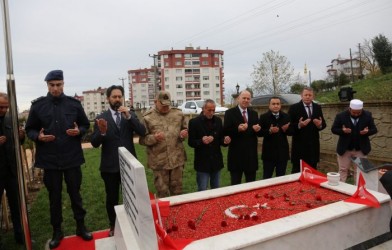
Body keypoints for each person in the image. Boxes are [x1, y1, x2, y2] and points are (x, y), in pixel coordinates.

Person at [25, 70, 92, 249]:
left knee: (75, 194)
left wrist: (80, 132)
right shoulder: (38, 106)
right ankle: (57, 231)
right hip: (50, 160)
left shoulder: (74, 104)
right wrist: (38, 137)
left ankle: (80, 227)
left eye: (58, 85)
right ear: (47, 85)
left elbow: (85, 124)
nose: (55, 88)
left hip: (71, 158)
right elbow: (29, 129)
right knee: (54, 197)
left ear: (63, 84)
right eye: (52, 85)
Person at [91, 85, 145, 236]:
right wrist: (101, 132)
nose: (117, 99)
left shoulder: (129, 115)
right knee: (112, 198)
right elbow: (94, 143)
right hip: (110, 166)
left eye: (119, 96)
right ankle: (114, 225)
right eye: (114, 97)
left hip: (129, 165)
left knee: (131, 196)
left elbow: (142, 131)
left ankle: (133, 222)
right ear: (108, 98)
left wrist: (128, 116)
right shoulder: (101, 118)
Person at [139, 91, 188, 198]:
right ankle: (164, 214)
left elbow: (184, 130)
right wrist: (154, 138)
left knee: (178, 192)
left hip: (176, 159)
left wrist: (183, 134)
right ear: (155, 102)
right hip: (159, 162)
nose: (166, 107)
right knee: (162, 193)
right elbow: (142, 140)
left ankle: (178, 214)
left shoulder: (178, 114)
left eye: (167, 104)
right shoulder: (147, 118)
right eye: (163, 104)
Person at [188, 99, 231, 191]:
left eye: (213, 110)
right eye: (209, 110)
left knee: (216, 189)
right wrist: (201, 141)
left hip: (216, 162)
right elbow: (190, 142)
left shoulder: (218, 121)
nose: (211, 112)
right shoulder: (194, 122)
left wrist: (225, 141)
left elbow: (221, 138)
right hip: (202, 162)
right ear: (203, 109)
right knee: (202, 189)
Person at [331, 99, 378, 182]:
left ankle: (358, 190)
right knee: (343, 170)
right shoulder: (340, 116)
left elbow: (374, 129)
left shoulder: (367, 115)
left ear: (362, 110)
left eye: (358, 113)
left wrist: (367, 132)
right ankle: (341, 190)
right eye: (354, 112)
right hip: (345, 149)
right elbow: (334, 129)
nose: (356, 114)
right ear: (349, 109)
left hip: (361, 149)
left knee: (360, 171)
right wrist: (343, 131)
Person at [0, 93, 24, 246]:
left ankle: (20, 237)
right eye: (1, 107)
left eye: (6, 107)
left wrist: (21, 136)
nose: (3, 110)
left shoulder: (10, 120)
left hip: (11, 171)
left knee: (16, 207)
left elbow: (18, 143)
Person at [223, 90, 261, 185]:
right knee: (236, 185)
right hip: (236, 155)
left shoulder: (254, 114)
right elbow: (225, 131)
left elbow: (256, 131)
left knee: (251, 185)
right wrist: (237, 129)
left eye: (248, 98)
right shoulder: (230, 113)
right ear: (238, 99)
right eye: (244, 98)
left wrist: (257, 129)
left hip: (251, 156)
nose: (246, 100)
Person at [288, 87, 326, 173]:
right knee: (297, 173)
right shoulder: (294, 108)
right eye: (306, 95)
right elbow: (289, 127)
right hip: (299, 147)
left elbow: (323, 124)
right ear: (301, 96)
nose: (308, 97)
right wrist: (299, 125)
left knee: (312, 173)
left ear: (313, 96)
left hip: (313, 147)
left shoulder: (317, 107)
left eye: (310, 95)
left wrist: (319, 125)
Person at [258, 96, 291, 179]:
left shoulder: (286, 116)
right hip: (268, 154)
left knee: (281, 178)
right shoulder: (263, 117)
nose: (276, 106)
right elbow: (259, 133)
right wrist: (269, 131)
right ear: (269, 105)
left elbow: (292, 132)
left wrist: (286, 130)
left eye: (277, 104)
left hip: (282, 153)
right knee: (267, 178)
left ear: (280, 105)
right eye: (273, 104)